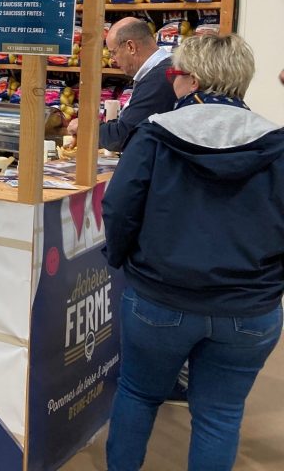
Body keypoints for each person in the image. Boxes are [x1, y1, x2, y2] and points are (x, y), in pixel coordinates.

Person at [102, 33, 284, 471]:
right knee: (219, 415)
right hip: (250, 308)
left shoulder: (152, 136)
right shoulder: (277, 144)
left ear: (195, 79)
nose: (172, 83)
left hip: (160, 298)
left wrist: (123, 260)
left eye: (174, 74)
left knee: (138, 394)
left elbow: (119, 208)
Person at [67, 17, 176, 152]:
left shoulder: (159, 79)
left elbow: (123, 136)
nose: (112, 59)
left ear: (131, 47)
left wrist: (85, 128)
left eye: (114, 52)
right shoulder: (162, 70)